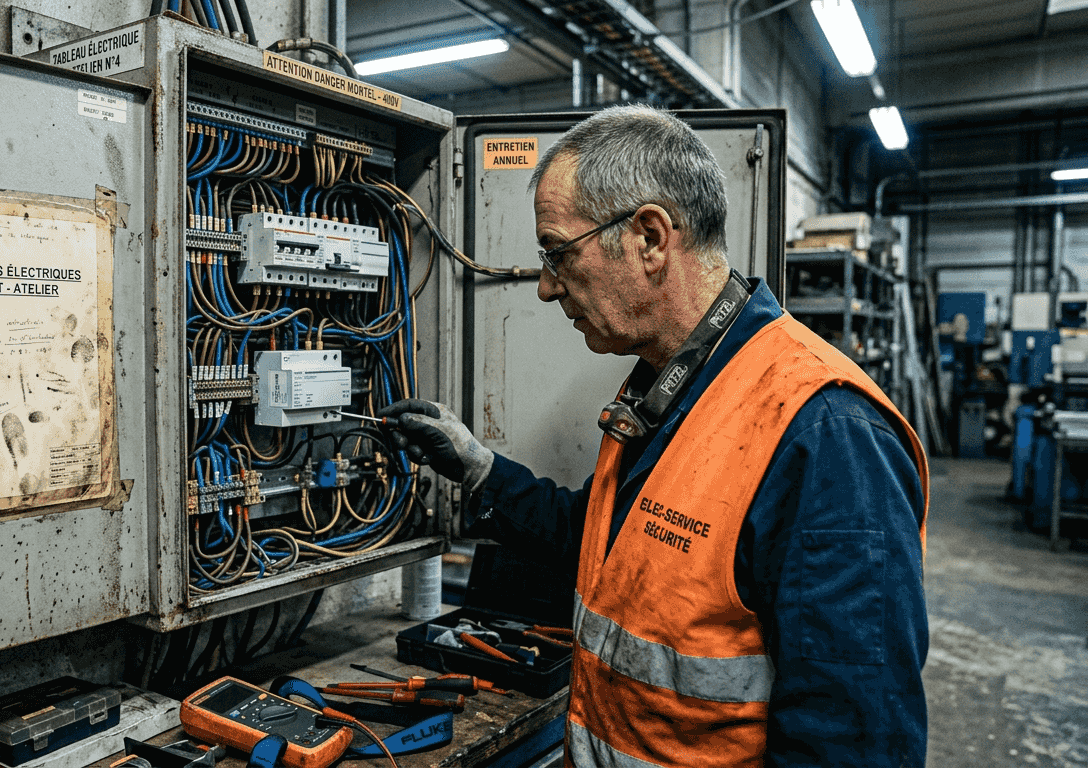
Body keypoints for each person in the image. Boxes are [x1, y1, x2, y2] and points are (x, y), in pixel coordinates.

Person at [380, 105, 930, 768]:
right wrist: (478, 468)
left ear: (649, 238)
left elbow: (854, 743)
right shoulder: (667, 386)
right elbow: (607, 546)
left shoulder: (827, 436)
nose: (547, 288)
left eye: (558, 253)